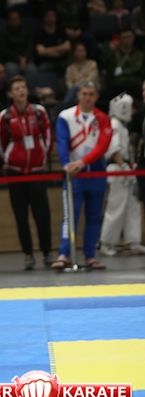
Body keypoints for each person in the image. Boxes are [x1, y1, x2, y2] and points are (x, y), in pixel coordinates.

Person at [0, 75, 54, 270]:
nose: (21, 91)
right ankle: (28, 254)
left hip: (36, 171)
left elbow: (48, 136)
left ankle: (47, 252)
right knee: (21, 216)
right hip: (15, 172)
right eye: (17, 88)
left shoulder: (39, 111)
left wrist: (42, 157)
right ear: (10, 94)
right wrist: (8, 160)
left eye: (23, 87)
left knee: (42, 214)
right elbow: (0, 142)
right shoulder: (5, 116)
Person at [51, 82, 112, 270]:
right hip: (74, 175)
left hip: (96, 172)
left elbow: (103, 146)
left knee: (94, 217)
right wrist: (65, 164)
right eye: (84, 93)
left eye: (91, 94)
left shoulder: (103, 118)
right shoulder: (66, 116)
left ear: (96, 97)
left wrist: (83, 162)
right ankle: (64, 254)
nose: (87, 97)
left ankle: (90, 256)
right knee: (70, 215)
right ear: (78, 95)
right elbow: (61, 141)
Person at [99, 93, 145, 256]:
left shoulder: (121, 126)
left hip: (125, 169)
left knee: (132, 206)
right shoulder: (114, 125)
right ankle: (106, 242)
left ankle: (133, 241)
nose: (132, 112)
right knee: (116, 206)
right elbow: (114, 150)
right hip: (118, 168)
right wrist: (124, 166)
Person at [105, 28, 144, 99]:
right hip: (116, 85)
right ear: (120, 39)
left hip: (134, 84)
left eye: (129, 37)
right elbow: (110, 70)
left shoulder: (139, 54)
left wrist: (122, 71)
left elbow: (136, 68)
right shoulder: (113, 54)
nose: (127, 40)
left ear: (133, 38)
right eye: (124, 37)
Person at [0, 9, 38, 77]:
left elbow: (30, 47)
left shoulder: (26, 31)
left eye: (17, 18)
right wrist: (18, 58)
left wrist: (24, 58)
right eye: (13, 19)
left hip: (25, 60)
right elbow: (4, 50)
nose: (15, 21)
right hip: (11, 60)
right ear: (9, 20)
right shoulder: (4, 33)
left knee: (32, 69)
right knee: (12, 69)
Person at [34, 9, 71, 74]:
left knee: (72, 65)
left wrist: (48, 49)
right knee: (42, 68)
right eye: (48, 16)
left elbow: (68, 46)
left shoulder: (60, 30)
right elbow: (41, 52)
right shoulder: (39, 32)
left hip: (62, 60)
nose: (50, 18)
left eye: (52, 16)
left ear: (56, 17)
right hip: (47, 61)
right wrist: (59, 50)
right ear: (44, 18)